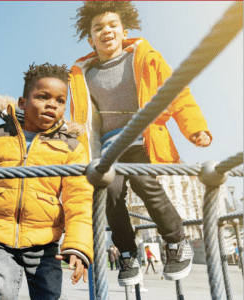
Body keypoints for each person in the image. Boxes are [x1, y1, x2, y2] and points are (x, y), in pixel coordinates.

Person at [69, 1, 212, 285]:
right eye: (98, 28)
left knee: (145, 184)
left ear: (124, 31)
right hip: (108, 147)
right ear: (90, 38)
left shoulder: (145, 57)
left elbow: (176, 93)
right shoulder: (82, 74)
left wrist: (194, 128)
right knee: (108, 193)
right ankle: (126, 252)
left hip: (141, 138)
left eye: (113, 25)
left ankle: (175, 242)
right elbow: (81, 120)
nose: (106, 31)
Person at [0, 63, 94, 300]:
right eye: (43, 97)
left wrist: (77, 244)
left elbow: (79, 199)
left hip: (45, 239)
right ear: (23, 103)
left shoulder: (70, 147)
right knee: (0, 293)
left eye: (60, 100)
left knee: (49, 295)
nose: (52, 105)